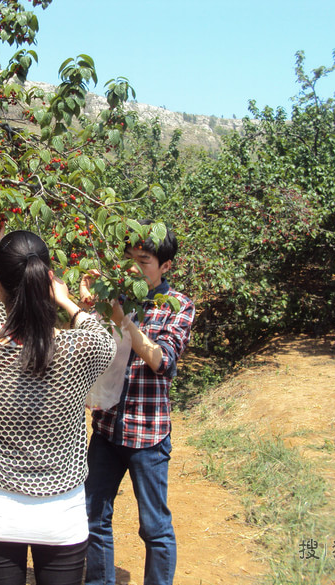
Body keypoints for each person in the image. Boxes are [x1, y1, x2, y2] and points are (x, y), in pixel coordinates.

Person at [0, 221, 116, 585]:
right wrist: (65, 300)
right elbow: (99, 336)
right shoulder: (81, 350)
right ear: (47, 280)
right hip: (61, 516)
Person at [80, 221, 195, 585]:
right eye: (129, 259)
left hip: (148, 436)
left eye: (143, 261)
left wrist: (123, 321)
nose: (133, 268)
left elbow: (163, 362)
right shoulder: (116, 297)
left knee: (154, 527)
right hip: (107, 429)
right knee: (93, 517)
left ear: (165, 267)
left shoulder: (177, 306)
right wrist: (88, 304)